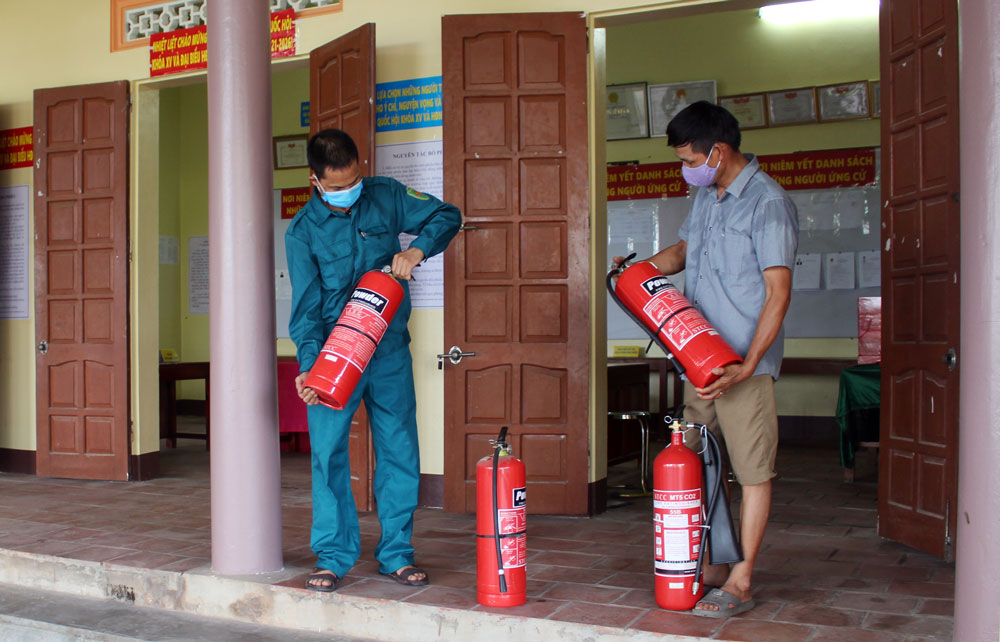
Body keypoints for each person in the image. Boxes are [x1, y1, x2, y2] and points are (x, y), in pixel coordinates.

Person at [620, 101, 798, 617]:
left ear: (717, 152)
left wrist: (749, 363)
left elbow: (778, 292)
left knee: (752, 471)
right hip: (698, 363)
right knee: (703, 466)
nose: (686, 168)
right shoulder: (707, 197)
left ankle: (741, 580)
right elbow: (684, 251)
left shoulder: (767, 203)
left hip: (744, 368)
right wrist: (640, 271)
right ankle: (717, 562)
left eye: (689, 158)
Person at [285, 129, 461, 592]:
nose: (349, 191)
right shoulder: (302, 230)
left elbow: (447, 214)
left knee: (399, 448)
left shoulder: (384, 196)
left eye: (354, 180)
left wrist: (417, 249)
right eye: (338, 185)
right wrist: (308, 365)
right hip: (333, 355)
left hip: (386, 351)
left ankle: (397, 553)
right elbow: (303, 309)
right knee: (327, 455)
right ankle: (333, 556)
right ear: (315, 180)